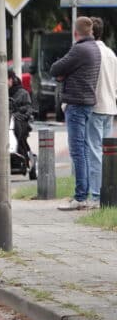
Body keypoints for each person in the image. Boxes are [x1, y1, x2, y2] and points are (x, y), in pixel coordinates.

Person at [50, 16, 100, 211]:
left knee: (78, 150)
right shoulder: (94, 48)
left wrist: (65, 74)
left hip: (77, 104)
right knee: (85, 150)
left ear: (75, 32)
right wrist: (68, 74)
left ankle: (80, 196)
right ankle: (83, 193)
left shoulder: (79, 49)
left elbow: (56, 68)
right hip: (87, 103)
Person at [88, 17, 116, 207]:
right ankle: (107, 191)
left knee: (94, 151)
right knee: (107, 154)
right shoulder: (111, 54)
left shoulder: (90, 53)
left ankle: (97, 193)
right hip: (110, 106)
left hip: (94, 106)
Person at [8, 70, 33, 168]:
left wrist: (17, 114)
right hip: (4, 121)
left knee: (17, 130)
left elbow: (28, 108)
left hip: (19, 121)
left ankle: (22, 155)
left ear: (11, 80)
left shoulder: (23, 93)